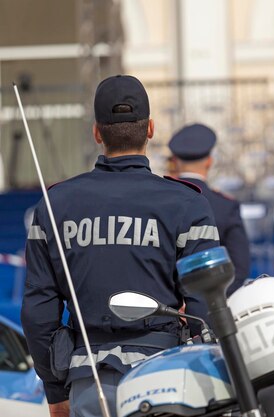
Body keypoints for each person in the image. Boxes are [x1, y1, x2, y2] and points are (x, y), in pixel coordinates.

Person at [21, 75, 220, 417]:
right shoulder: (186, 204)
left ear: (97, 132)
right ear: (151, 129)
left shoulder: (56, 204)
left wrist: (55, 391)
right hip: (167, 380)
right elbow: (207, 303)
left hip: (89, 383)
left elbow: (39, 309)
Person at [168, 124, 251, 293]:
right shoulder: (226, 206)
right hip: (210, 307)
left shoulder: (159, 199)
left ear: (175, 161)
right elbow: (240, 269)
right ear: (209, 161)